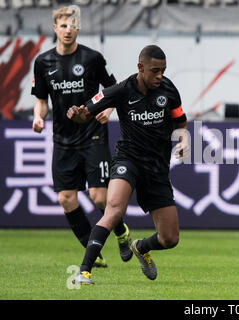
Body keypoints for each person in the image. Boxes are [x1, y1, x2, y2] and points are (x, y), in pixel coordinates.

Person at [68, 45, 189, 285]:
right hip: (128, 159)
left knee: (170, 239)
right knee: (113, 211)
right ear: (140, 67)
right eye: (155, 70)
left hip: (156, 168)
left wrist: (184, 138)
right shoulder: (121, 90)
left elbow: (181, 122)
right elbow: (86, 113)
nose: (159, 76)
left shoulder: (168, 89)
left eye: (163, 70)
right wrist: (77, 114)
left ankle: (141, 247)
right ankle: (83, 271)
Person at [31, 5, 133, 267]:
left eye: (72, 25)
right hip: (63, 139)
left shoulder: (92, 59)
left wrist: (108, 109)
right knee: (66, 199)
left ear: (78, 28)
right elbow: (41, 99)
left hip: (92, 135)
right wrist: (38, 116)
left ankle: (121, 232)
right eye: (63, 25)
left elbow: (114, 90)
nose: (68, 30)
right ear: (55, 28)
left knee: (99, 197)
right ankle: (93, 251)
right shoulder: (43, 62)